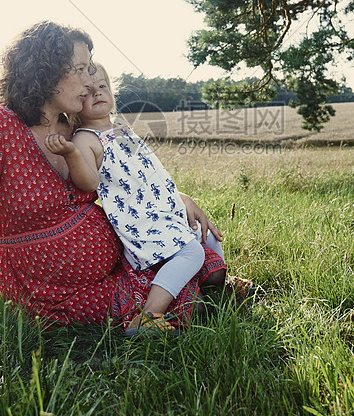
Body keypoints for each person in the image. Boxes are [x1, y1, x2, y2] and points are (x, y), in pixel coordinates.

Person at [0, 21, 226, 361]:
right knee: (181, 292)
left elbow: (123, 181)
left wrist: (178, 199)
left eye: (90, 69)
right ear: (45, 71)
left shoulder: (74, 126)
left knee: (189, 248)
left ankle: (193, 286)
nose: (89, 80)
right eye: (80, 70)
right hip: (49, 287)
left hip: (115, 260)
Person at [45, 64, 226, 334]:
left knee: (206, 235)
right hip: (140, 221)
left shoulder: (120, 128)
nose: (97, 94)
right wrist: (72, 154)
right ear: (74, 104)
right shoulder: (86, 138)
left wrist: (179, 197)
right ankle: (149, 314)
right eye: (87, 93)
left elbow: (146, 174)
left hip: (162, 210)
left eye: (102, 87)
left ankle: (202, 284)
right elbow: (88, 182)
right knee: (192, 251)